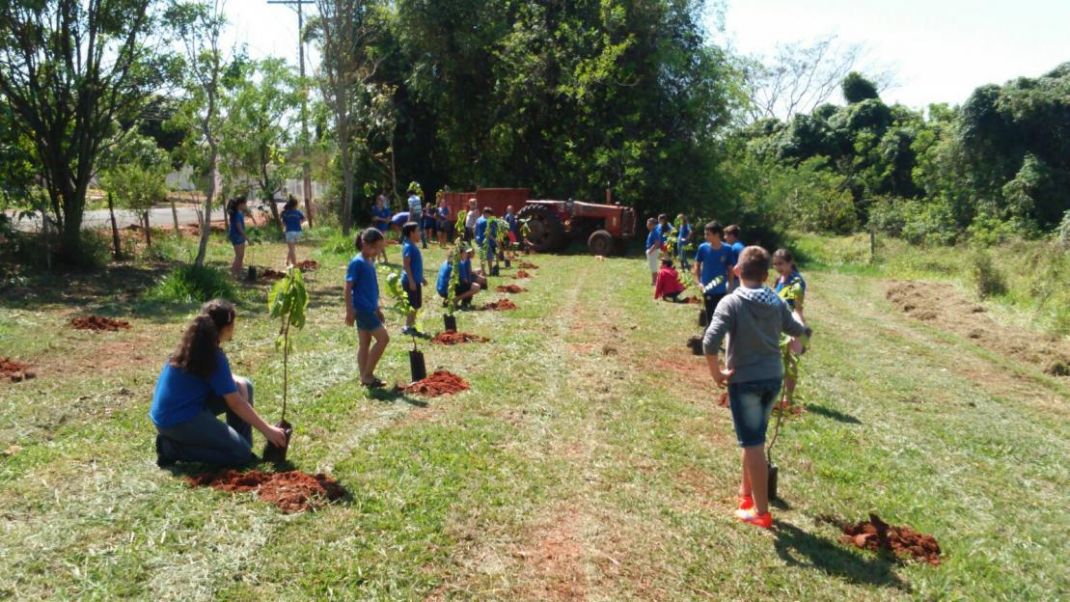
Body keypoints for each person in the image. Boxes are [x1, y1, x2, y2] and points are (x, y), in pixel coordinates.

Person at [703, 246, 810, 529]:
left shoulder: (732, 302)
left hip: (745, 381)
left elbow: (709, 342)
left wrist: (717, 374)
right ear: (765, 275)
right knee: (754, 440)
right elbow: (796, 329)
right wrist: (799, 314)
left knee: (752, 444)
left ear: (737, 271)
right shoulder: (775, 301)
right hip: (772, 378)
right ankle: (745, 496)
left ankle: (761, 512)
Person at [151, 299, 288, 467]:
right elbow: (236, 403)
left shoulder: (194, 344)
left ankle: (241, 445)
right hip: (177, 421)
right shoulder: (212, 355)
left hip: (171, 413)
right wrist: (268, 430)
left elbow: (219, 378)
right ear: (227, 327)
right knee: (240, 455)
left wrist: (236, 380)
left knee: (244, 384)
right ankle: (171, 449)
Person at [345, 228, 390, 388]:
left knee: (365, 343)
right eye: (376, 247)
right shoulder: (357, 262)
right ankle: (368, 375)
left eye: (380, 248)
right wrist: (349, 311)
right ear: (365, 244)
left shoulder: (369, 261)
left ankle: (364, 376)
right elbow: (348, 287)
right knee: (383, 339)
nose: (378, 251)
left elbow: (372, 288)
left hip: (370, 309)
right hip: (362, 309)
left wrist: (377, 309)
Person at [772, 248, 808, 410]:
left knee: (790, 360)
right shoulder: (780, 279)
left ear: (790, 263)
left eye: (781, 264)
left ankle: (788, 397)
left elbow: (797, 308)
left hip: (790, 323)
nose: (778, 267)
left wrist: (800, 331)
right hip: (778, 322)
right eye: (775, 264)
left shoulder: (796, 282)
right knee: (778, 359)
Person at [693, 221, 733, 327]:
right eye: (705, 234)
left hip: (721, 289)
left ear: (717, 235)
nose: (705, 236)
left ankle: (716, 337)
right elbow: (696, 265)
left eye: (708, 234)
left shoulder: (727, 249)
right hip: (707, 287)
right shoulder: (703, 248)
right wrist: (698, 283)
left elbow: (730, 269)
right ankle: (711, 339)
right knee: (710, 314)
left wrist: (730, 285)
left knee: (721, 314)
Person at [400, 222, 426, 335]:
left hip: (415, 280)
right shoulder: (408, 247)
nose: (420, 233)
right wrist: (411, 280)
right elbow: (406, 264)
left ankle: (411, 326)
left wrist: (421, 278)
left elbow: (415, 265)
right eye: (418, 231)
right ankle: (407, 327)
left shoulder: (412, 245)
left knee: (416, 305)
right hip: (410, 282)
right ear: (411, 233)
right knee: (412, 305)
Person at [227, 197, 248, 279]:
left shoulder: (239, 213)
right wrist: (247, 238)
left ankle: (238, 273)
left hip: (238, 236)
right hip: (237, 236)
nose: (246, 206)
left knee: (241, 256)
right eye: (245, 204)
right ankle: (233, 273)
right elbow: (239, 228)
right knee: (239, 256)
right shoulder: (237, 214)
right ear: (240, 205)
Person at [281, 196, 305, 267]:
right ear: (296, 205)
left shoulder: (286, 213)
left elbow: (283, 223)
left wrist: (287, 225)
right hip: (298, 232)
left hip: (289, 232)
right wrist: (299, 223)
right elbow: (304, 218)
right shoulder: (298, 212)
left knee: (291, 249)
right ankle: (287, 261)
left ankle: (294, 265)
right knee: (292, 248)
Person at [474, 207, 498, 272]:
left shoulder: (478, 219)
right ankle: (490, 270)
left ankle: (483, 271)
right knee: (489, 256)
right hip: (486, 241)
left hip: (479, 240)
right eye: (490, 215)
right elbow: (488, 233)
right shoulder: (486, 221)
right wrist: (495, 240)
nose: (490, 216)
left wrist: (475, 237)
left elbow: (474, 229)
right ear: (486, 213)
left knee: (482, 257)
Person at [371, 194, 392, 263]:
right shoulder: (374, 208)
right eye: (380, 200)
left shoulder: (386, 210)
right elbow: (374, 219)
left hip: (383, 229)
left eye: (383, 200)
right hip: (375, 228)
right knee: (376, 244)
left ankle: (378, 259)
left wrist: (379, 218)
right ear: (377, 200)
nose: (382, 202)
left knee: (381, 244)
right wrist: (383, 219)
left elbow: (388, 220)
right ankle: (378, 259)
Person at [407, 184, 427, 249]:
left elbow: (411, 209)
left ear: (409, 194)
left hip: (414, 215)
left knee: (412, 229)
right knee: (420, 229)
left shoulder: (410, 199)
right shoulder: (418, 198)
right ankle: (424, 244)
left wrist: (409, 218)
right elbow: (420, 206)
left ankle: (413, 243)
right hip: (419, 214)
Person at [644, 217, 662, 286]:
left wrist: (650, 251)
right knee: (652, 267)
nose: (647, 225)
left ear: (653, 225)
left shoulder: (655, 232)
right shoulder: (652, 231)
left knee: (653, 267)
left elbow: (657, 243)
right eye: (647, 223)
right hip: (652, 251)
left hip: (653, 251)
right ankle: (654, 281)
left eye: (649, 224)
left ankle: (655, 282)